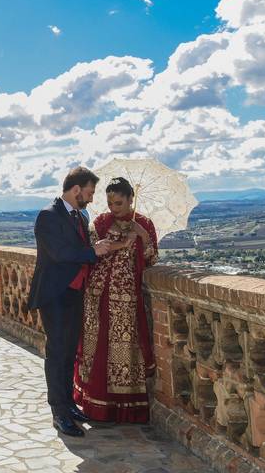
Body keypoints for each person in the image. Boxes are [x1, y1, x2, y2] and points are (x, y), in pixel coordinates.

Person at [28, 167, 122, 438]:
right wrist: (93, 251)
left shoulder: (79, 216)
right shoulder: (48, 215)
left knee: (70, 352)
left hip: (74, 293)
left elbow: (79, 251)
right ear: (76, 189)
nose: (92, 199)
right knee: (57, 353)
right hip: (54, 295)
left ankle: (69, 404)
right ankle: (58, 411)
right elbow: (59, 253)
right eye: (90, 192)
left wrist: (98, 247)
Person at [73, 176, 158, 423]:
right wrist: (122, 243)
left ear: (131, 199)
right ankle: (94, 403)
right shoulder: (101, 222)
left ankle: (124, 408)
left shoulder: (144, 224)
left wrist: (141, 235)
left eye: (119, 203)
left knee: (124, 349)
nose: (113, 208)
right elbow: (93, 250)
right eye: (110, 202)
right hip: (97, 295)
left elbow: (152, 259)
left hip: (126, 298)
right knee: (96, 347)